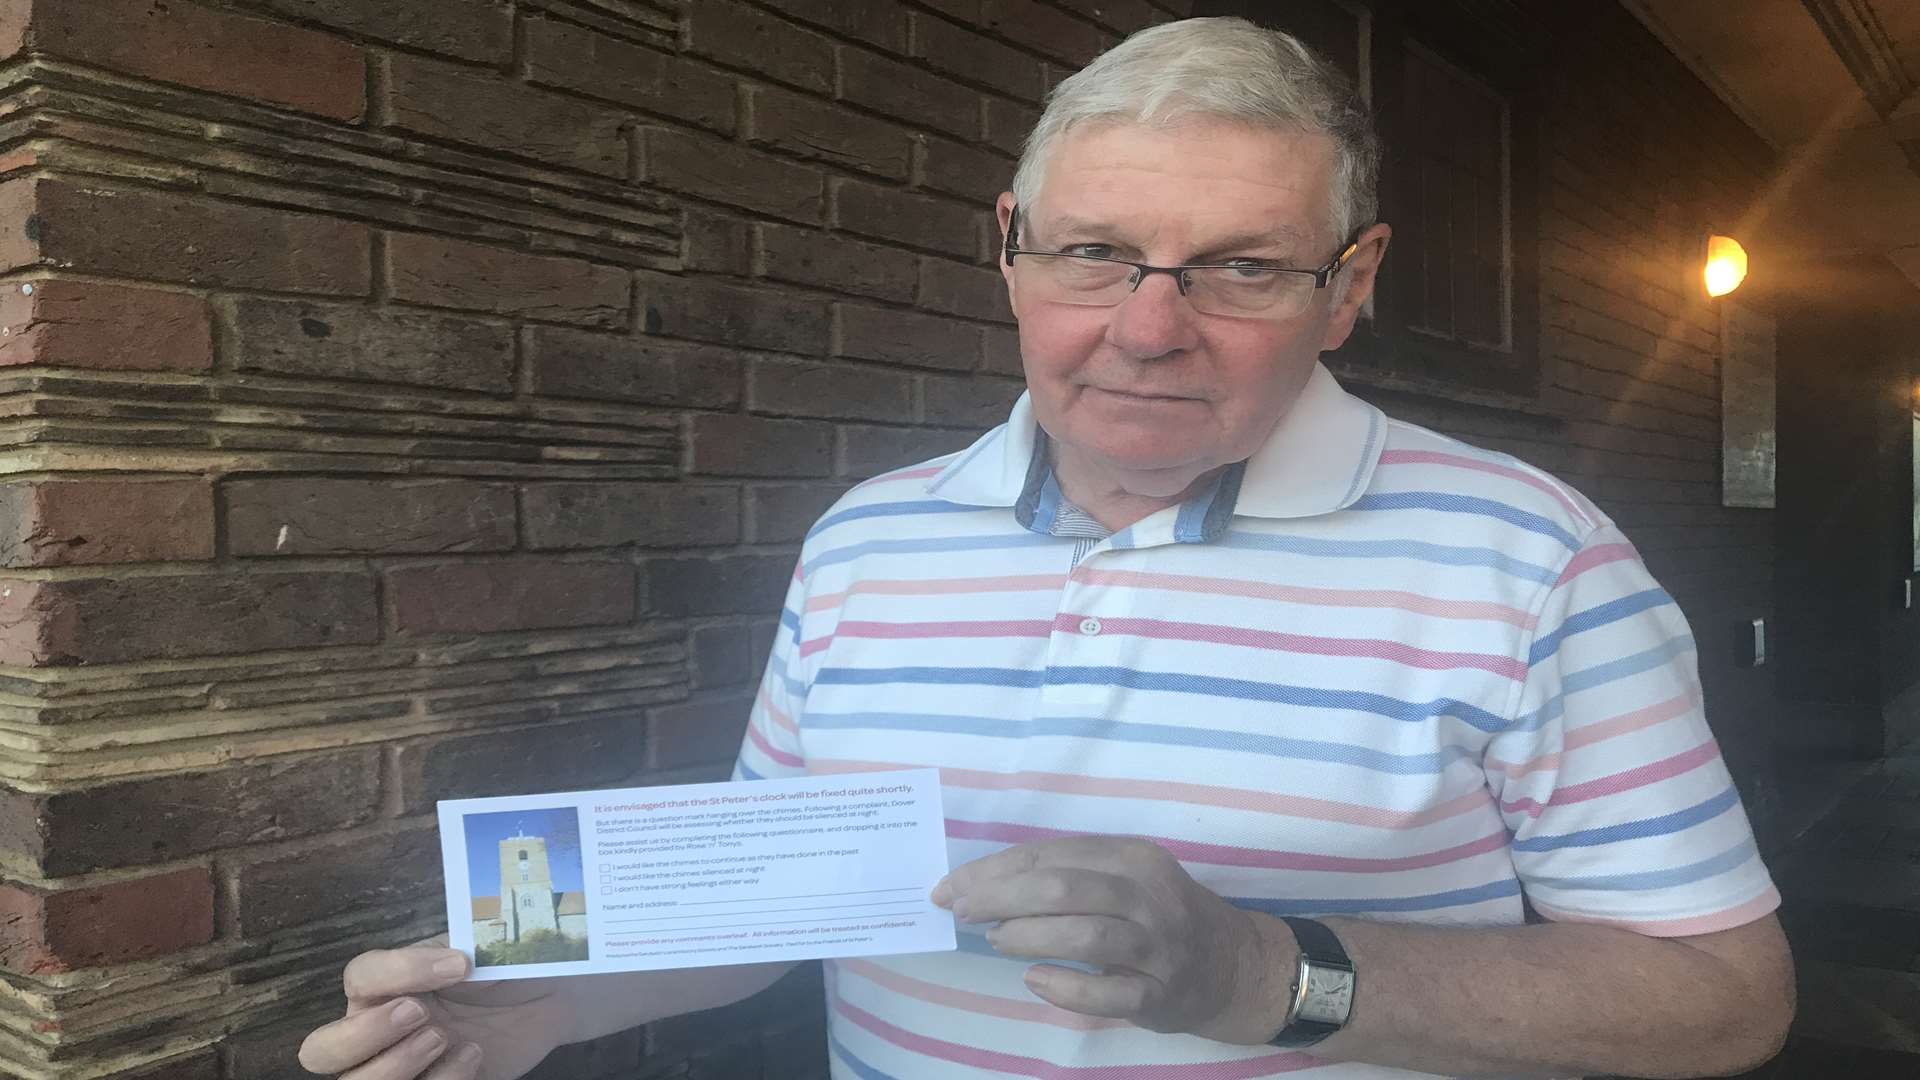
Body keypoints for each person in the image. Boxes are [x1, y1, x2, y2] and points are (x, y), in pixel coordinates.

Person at [298, 17, 1794, 1080]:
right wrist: (546, 1010)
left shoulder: (1533, 562)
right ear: (1010, 241)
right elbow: (771, 920)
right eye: (1092, 253)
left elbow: (1722, 1000)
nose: (1149, 327)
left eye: (1243, 268)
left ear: (1351, 286)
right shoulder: (867, 541)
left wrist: (1263, 975)